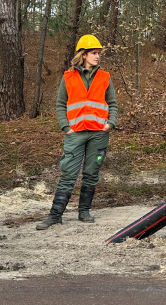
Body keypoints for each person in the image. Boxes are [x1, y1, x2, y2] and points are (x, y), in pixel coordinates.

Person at [36, 34, 118, 230]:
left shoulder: (105, 77)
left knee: (91, 173)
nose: (98, 56)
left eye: (99, 53)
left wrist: (110, 123)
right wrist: (66, 127)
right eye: (94, 53)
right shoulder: (68, 77)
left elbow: (112, 103)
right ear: (83, 55)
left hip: (99, 133)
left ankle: (84, 211)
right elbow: (60, 104)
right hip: (76, 133)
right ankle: (55, 215)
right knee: (68, 173)